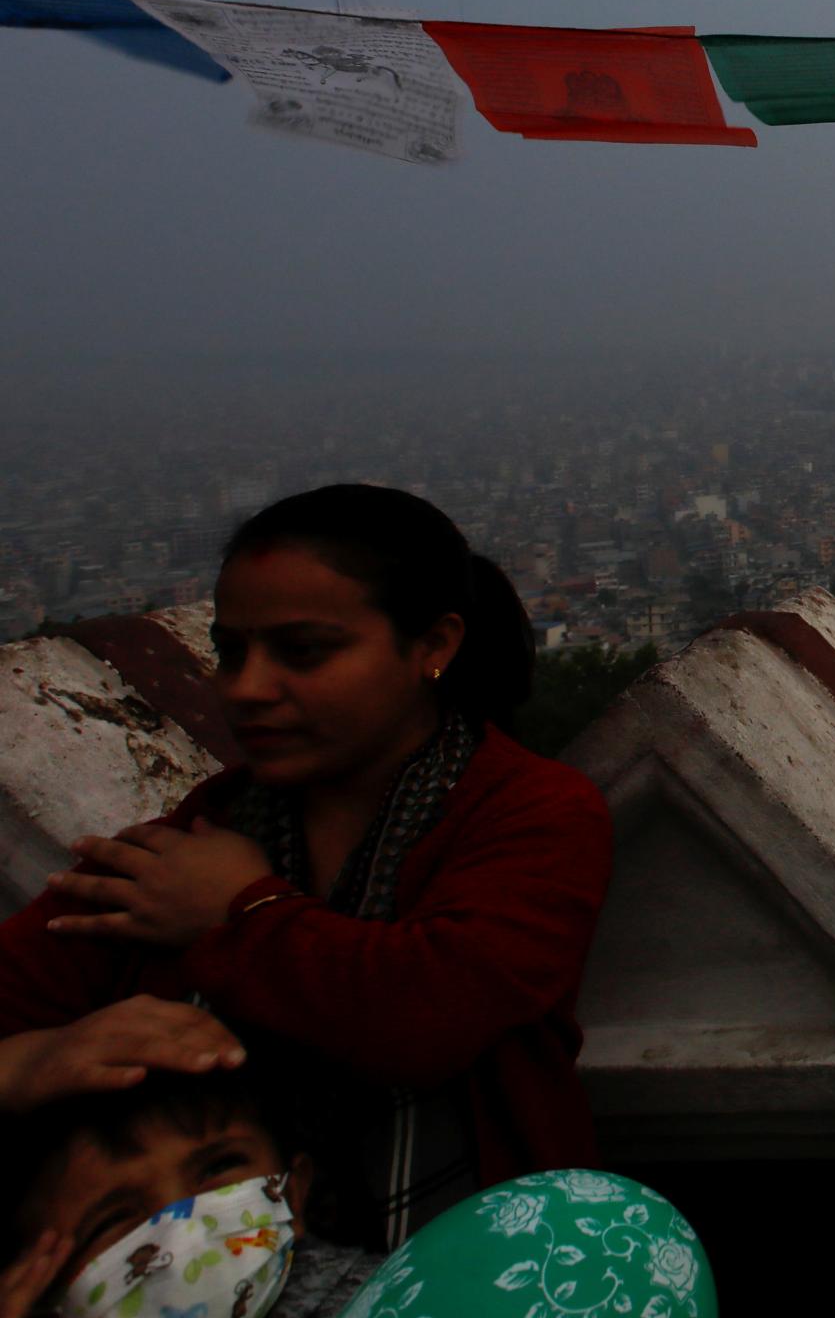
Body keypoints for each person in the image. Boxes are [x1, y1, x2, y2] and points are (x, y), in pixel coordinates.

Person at [0, 484, 615, 1248]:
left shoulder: (528, 813)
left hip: (475, 1270)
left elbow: (427, 1017)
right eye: (231, 652)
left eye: (304, 652)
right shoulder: (201, 838)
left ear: (433, 646)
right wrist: (31, 1063)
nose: (246, 689)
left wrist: (239, 912)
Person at [0, 1065, 383, 1318]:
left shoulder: (382, 1301)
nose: (181, 1230)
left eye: (218, 1168)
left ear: (294, 1195)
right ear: (43, 1290)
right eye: (113, 1220)